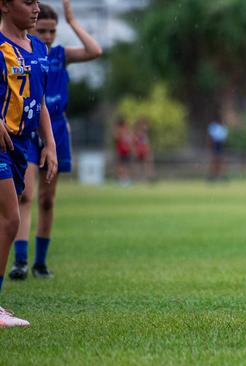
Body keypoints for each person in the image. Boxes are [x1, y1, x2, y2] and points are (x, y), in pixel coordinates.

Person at [8, 0, 102, 280]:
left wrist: (72, 22)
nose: (48, 37)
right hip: (27, 126)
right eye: (43, 31)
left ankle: (40, 262)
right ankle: (20, 261)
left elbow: (95, 51)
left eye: (52, 31)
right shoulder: (21, 51)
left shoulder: (59, 54)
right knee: (25, 194)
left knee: (47, 200)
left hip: (56, 128)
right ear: (32, 27)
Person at [0, 0, 57, 327]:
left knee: (6, 221)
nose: (35, 8)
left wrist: (48, 142)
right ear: (5, 6)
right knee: (10, 220)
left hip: (23, 145)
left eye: (37, 1)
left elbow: (39, 101)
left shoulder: (38, 47)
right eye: (27, 1)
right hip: (2, 144)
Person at [134, 118, 154, 182]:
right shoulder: (138, 133)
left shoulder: (145, 133)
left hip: (145, 150)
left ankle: (148, 178)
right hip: (141, 151)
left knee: (147, 164)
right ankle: (139, 179)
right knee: (140, 165)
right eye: (145, 125)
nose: (147, 127)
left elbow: (147, 143)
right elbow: (136, 141)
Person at [113, 117, 132, 186]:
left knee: (125, 166)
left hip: (126, 151)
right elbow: (116, 139)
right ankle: (121, 179)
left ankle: (125, 179)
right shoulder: (119, 130)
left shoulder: (127, 131)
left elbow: (130, 140)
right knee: (120, 166)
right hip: (121, 151)